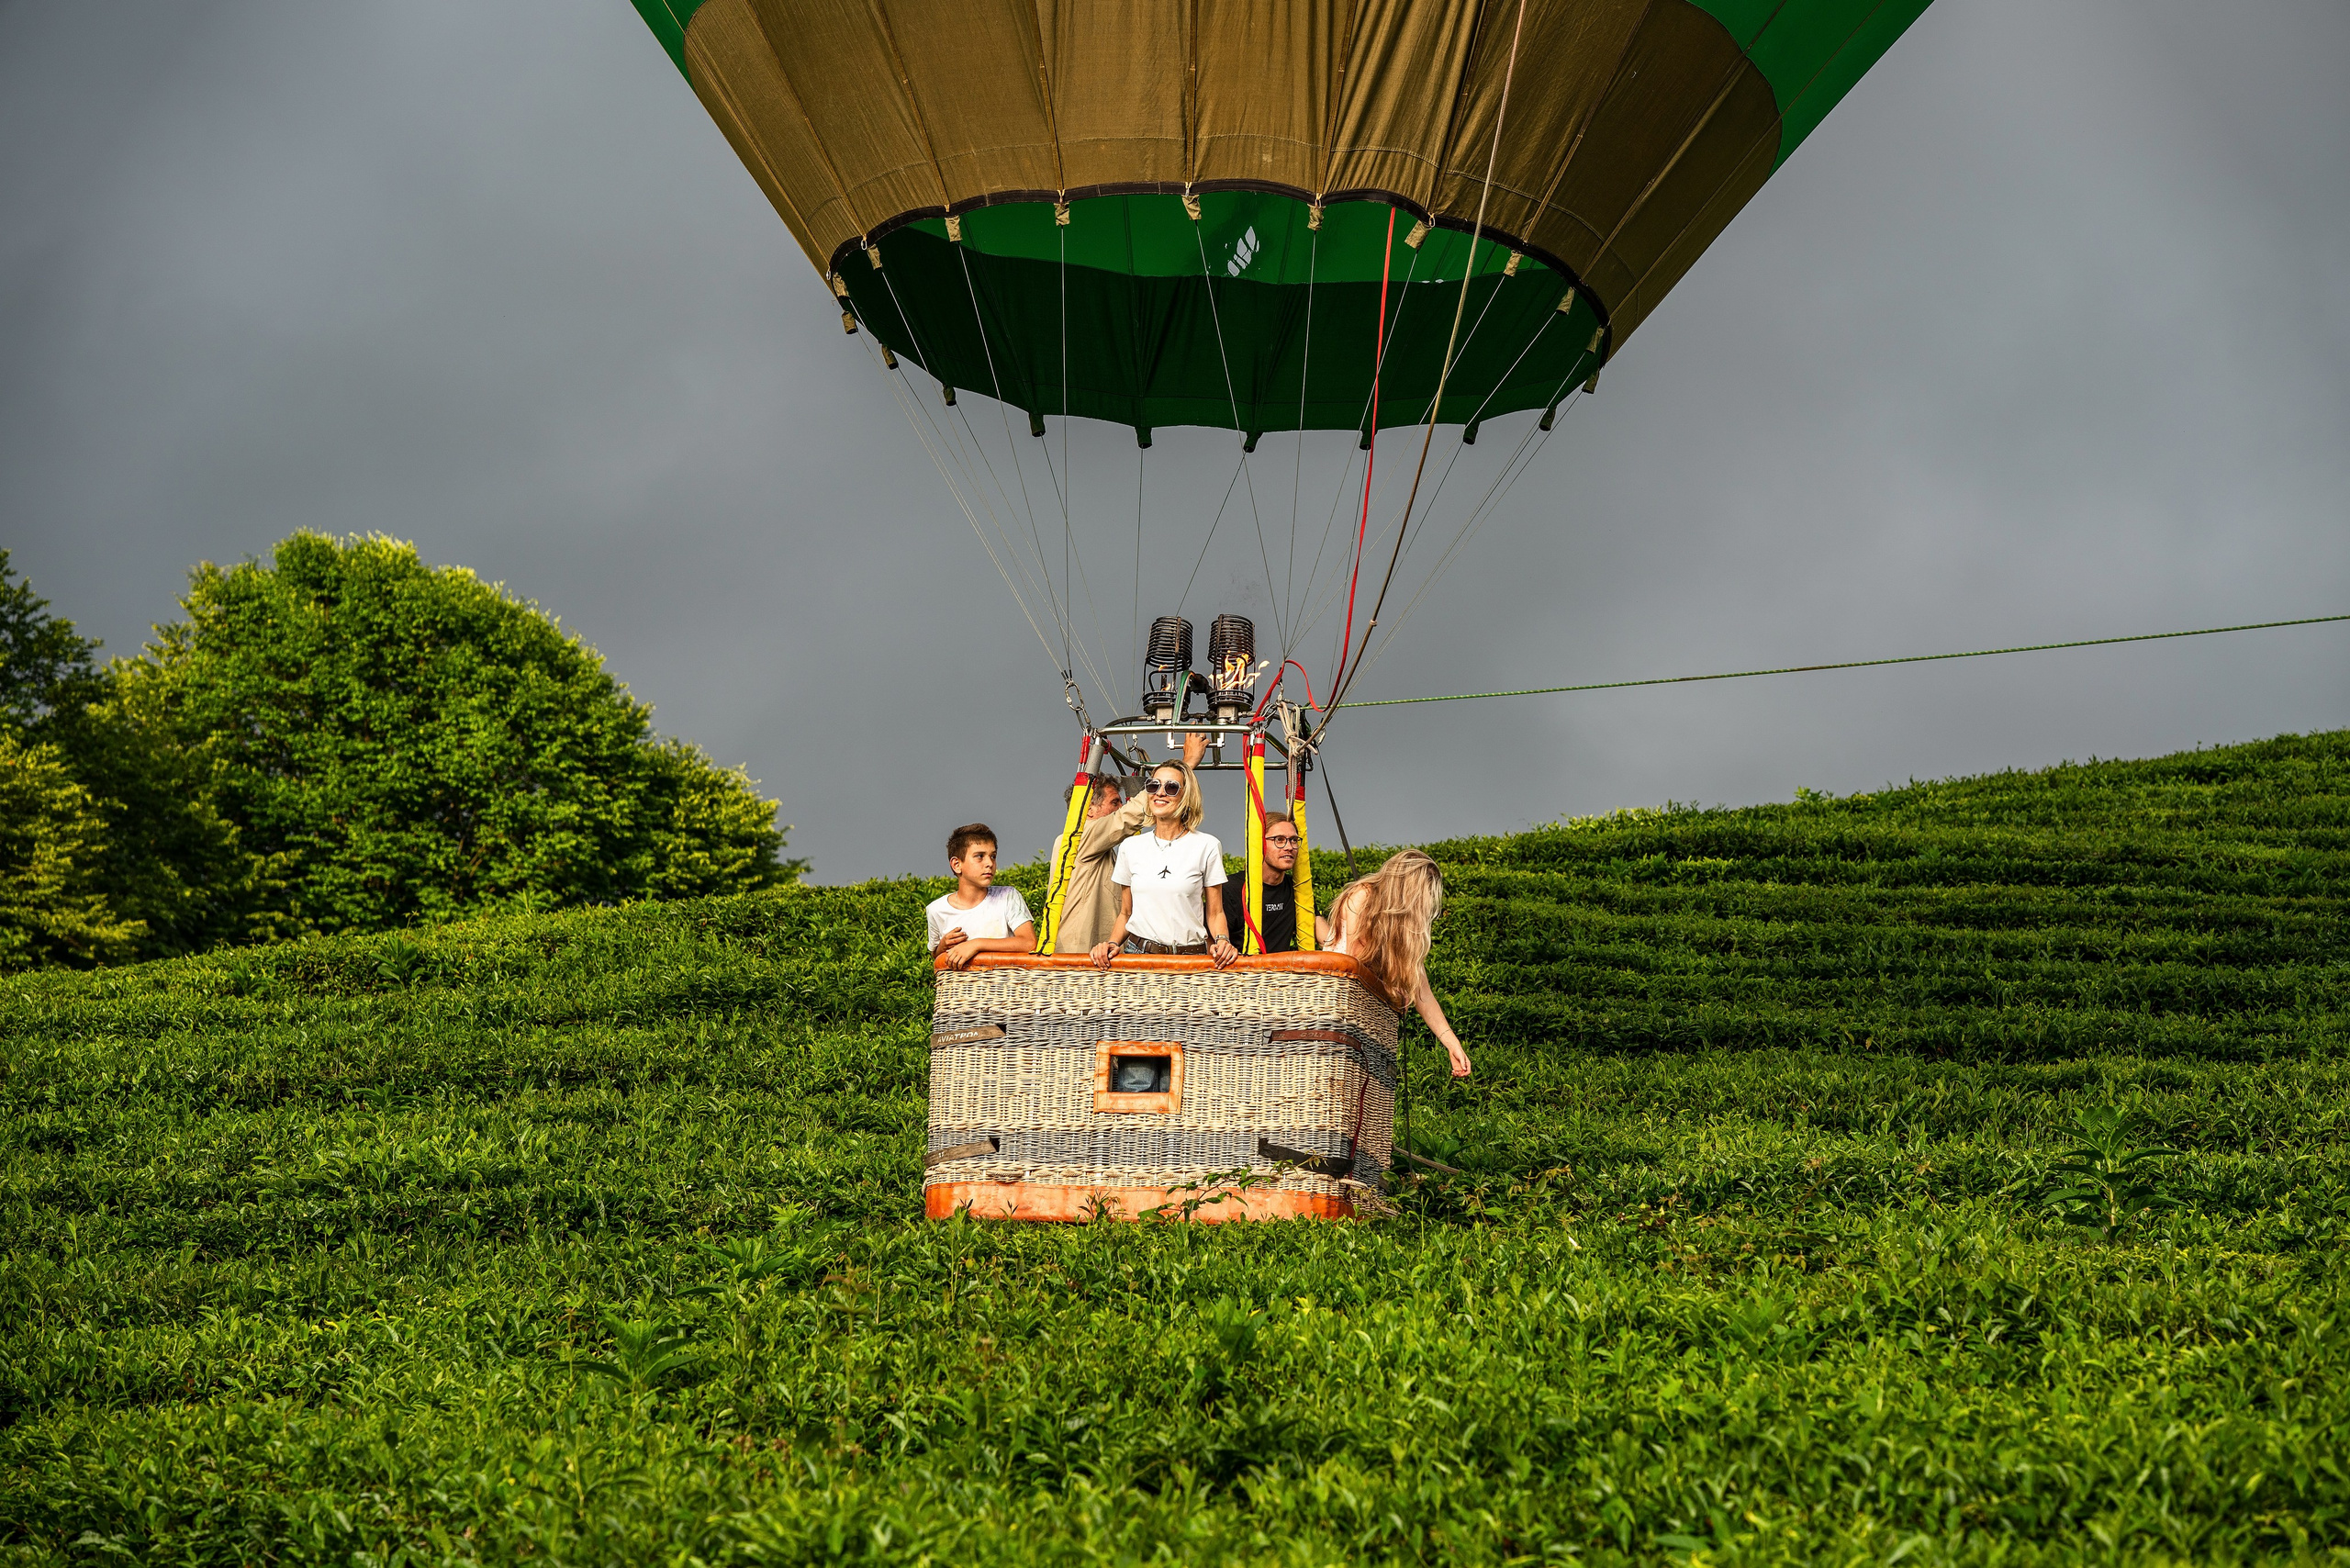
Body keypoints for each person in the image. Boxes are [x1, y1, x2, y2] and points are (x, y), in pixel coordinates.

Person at [1317, 849, 1472, 1077]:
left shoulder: (1403, 926)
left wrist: (1452, 1044)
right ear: (1407, 889)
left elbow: (1423, 992)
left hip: (1366, 1015)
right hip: (1335, 1007)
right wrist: (1392, 989)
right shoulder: (1362, 897)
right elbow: (1355, 964)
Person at [1051, 734, 1206, 954]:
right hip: (1080, 957)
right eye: (1114, 803)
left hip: (1104, 956)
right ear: (1089, 809)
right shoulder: (1078, 838)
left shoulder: (1107, 852)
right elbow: (1127, 818)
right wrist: (1186, 765)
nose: (1120, 808)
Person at [1091, 759, 1238, 969]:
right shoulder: (1130, 847)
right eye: (1153, 785)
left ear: (1186, 796)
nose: (1160, 793)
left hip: (1191, 958)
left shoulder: (1207, 845)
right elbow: (1126, 912)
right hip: (1139, 956)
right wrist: (1113, 943)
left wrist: (1223, 940)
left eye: (1171, 787)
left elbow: (1215, 912)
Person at [926, 823, 1035, 970]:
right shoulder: (936, 910)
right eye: (979, 856)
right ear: (956, 864)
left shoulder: (1008, 896)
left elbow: (1029, 943)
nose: (989, 863)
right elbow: (936, 956)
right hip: (962, 990)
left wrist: (976, 944)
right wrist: (942, 946)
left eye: (993, 856)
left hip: (1006, 989)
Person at [1220, 812, 1304, 952]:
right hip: (1241, 972)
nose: (1289, 847)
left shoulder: (1297, 888)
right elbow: (1212, 942)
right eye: (1279, 840)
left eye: (1294, 840)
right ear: (1259, 843)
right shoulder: (1231, 889)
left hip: (1282, 973)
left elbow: (1321, 931)